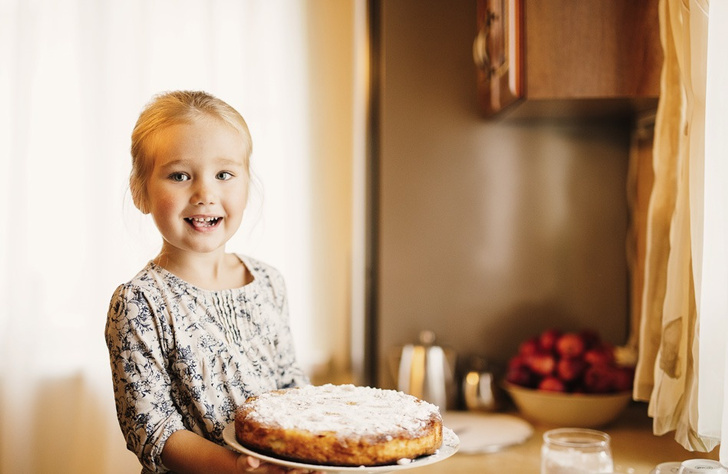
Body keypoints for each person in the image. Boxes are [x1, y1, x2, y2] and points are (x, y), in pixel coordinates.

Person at [105, 90, 316, 473]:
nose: (205, 194)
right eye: (180, 175)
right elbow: (153, 431)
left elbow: (290, 384)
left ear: (246, 183)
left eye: (224, 174)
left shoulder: (268, 282)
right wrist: (238, 469)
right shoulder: (140, 303)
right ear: (141, 191)